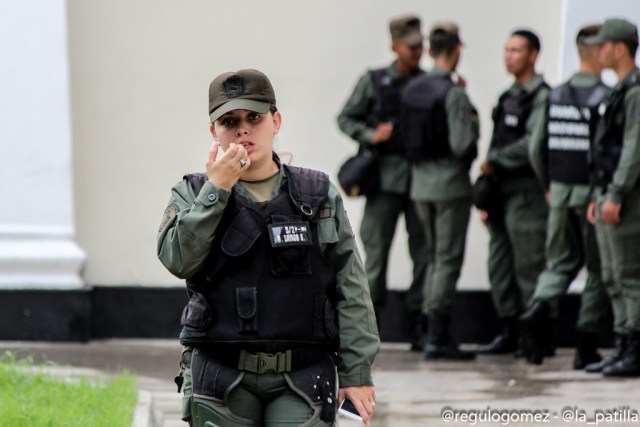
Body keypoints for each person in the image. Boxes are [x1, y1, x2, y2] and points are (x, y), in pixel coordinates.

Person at [157, 69, 380, 426]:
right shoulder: (193, 193)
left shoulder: (318, 194)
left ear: (275, 121)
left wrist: (356, 374)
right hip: (222, 374)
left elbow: (351, 286)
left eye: (254, 117)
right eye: (229, 121)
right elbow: (178, 260)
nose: (243, 129)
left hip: (304, 375)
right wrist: (217, 191)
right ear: (213, 131)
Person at [520, 24, 611, 367]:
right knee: (597, 270)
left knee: (558, 263)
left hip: (558, 192)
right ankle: (585, 345)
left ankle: (537, 308)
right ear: (601, 51)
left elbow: (534, 148)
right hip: (591, 197)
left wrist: (549, 185)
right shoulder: (605, 97)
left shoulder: (554, 95)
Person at [337, 14, 428, 350]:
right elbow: (345, 117)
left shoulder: (431, 81)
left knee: (425, 254)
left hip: (420, 181)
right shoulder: (374, 81)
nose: (418, 51)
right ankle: (366, 331)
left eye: (421, 45)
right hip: (384, 180)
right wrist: (370, 134)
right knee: (374, 255)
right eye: (411, 45)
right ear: (395, 46)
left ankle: (420, 323)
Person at [400, 22, 479, 360]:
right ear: (457, 49)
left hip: (419, 184)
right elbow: (463, 143)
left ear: (431, 50)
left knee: (432, 257)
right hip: (450, 186)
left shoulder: (412, 89)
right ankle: (438, 335)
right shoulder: (453, 92)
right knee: (447, 259)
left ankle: (427, 326)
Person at [476, 29, 550, 357]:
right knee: (500, 266)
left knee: (529, 266)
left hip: (527, 194)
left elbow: (530, 145)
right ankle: (508, 330)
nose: (509, 56)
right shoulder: (509, 95)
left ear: (533, 54)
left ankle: (536, 336)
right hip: (501, 194)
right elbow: (497, 141)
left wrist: (494, 160)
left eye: (516, 50)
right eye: (506, 50)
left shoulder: (542, 96)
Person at [583, 18, 640, 377]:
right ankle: (622, 343)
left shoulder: (634, 92)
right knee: (611, 276)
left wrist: (615, 193)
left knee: (629, 275)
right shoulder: (618, 90)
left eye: (603, 45)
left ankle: (633, 346)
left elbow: (634, 148)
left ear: (619, 48)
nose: (597, 51)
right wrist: (597, 193)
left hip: (627, 198)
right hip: (608, 192)